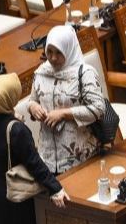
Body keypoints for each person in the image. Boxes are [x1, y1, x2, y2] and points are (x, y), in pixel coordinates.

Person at [0, 73, 69, 224]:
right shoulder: (17, 130)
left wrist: (12, 115)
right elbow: (34, 163)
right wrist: (55, 188)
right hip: (12, 192)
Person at [28, 25, 106, 174]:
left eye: (59, 52)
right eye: (49, 52)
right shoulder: (41, 72)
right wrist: (32, 107)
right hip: (47, 159)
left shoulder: (84, 73)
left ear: (69, 50)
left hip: (80, 158)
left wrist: (64, 113)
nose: (53, 58)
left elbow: (99, 109)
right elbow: (33, 100)